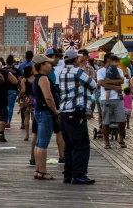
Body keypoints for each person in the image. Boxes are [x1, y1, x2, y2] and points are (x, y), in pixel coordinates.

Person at [58, 49, 97, 185]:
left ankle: (68, 174)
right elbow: (93, 84)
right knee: (82, 144)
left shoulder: (62, 73)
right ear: (75, 60)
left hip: (64, 112)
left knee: (69, 145)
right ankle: (79, 175)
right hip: (76, 113)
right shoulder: (78, 72)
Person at [32, 54, 59, 180]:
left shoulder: (37, 78)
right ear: (42, 65)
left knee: (39, 142)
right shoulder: (43, 79)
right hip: (45, 112)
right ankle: (42, 171)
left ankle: (38, 169)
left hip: (39, 111)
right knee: (43, 143)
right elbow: (48, 97)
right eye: (48, 63)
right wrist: (54, 110)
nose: (50, 66)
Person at [96, 54, 127, 148]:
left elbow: (121, 81)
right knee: (106, 121)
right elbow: (101, 83)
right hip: (106, 99)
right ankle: (107, 142)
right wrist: (115, 86)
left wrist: (109, 82)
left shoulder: (119, 70)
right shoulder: (101, 71)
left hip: (118, 99)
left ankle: (121, 138)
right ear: (107, 61)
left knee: (122, 120)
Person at [44, 48, 65, 163]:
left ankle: (62, 156)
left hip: (53, 104)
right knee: (43, 135)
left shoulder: (52, 70)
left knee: (59, 130)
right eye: (56, 57)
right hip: (48, 106)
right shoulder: (46, 73)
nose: (58, 59)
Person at [0, 60, 18, 143]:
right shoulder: (6, 72)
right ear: (1, 66)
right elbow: (15, 81)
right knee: (3, 116)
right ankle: (1, 133)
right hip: (2, 96)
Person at [4, 55, 21, 130]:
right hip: (13, 90)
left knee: (4, 107)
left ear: (6, 62)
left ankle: (3, 122)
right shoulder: (16, 70)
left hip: (4, 90)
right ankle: (8, 123)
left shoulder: (3, 70)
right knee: (10, 107)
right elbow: (20, 79)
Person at [18, 66, 34, 142]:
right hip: (35, 99)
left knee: (26, 117)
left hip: (26, 99)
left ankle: (27, 135)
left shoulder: (24, 80)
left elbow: (23, 90)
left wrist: (19, 96)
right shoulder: (36, 78)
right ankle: (35, 134)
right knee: (34, 117)